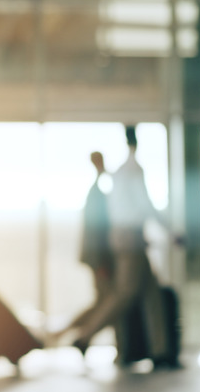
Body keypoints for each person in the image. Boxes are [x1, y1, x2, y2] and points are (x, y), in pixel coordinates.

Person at [72, 126, 176, 368]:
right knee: (125, 293)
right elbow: (144, 205)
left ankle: (161, 351)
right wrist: (170, 232)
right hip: (130, 240)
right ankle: (85, 336)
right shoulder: (132, 170)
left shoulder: (119, 173)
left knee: (152, 294)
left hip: (128, 238)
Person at [49, 152, 114, 343]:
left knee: (102, 302)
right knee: (108, 302)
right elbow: (95, 231)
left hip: (96, 258)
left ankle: (69, 334)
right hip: (98, 258)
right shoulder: (96, 194)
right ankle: (79, 335)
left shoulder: (97, 191)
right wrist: (100, 262)